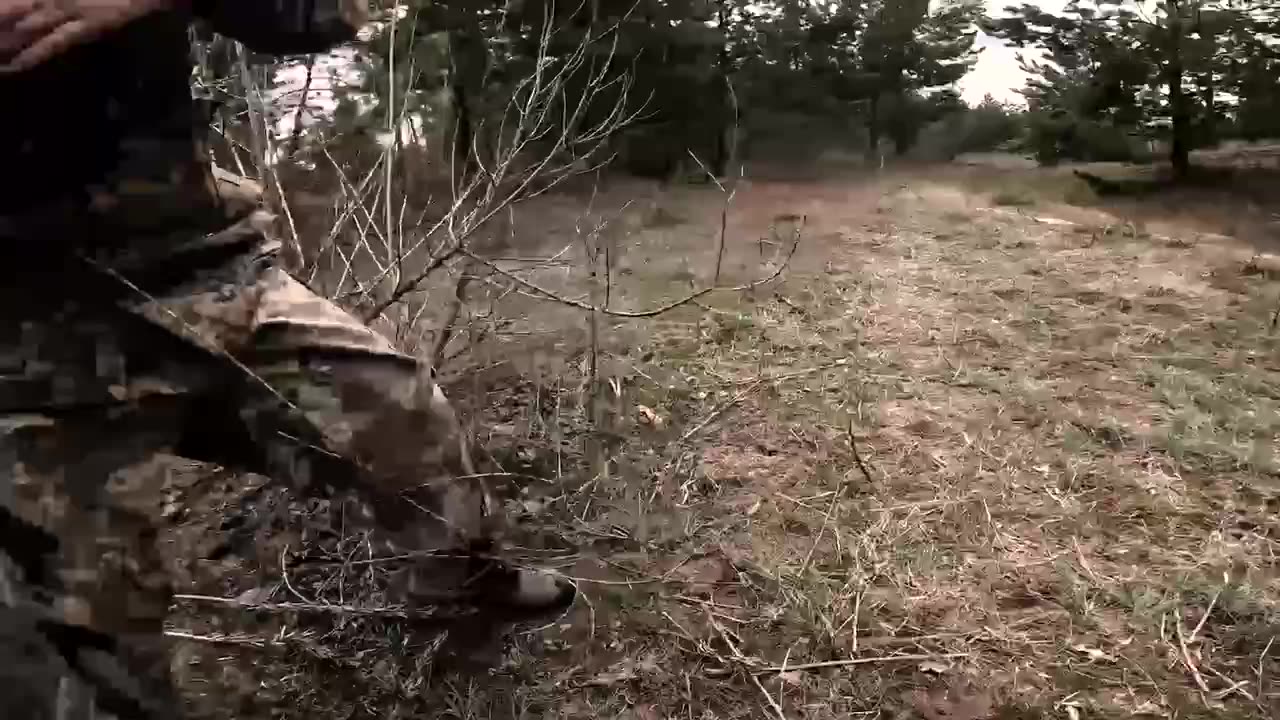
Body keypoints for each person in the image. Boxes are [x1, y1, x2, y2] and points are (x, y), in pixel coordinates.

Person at [0, 2, 574, 718]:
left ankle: (456, 583)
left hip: (199, 266)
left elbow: (324, 14)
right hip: (28, 336)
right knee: (86, 622)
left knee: (400, 416)